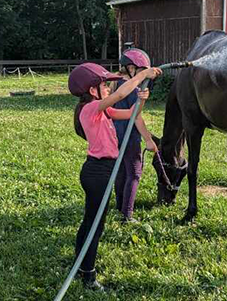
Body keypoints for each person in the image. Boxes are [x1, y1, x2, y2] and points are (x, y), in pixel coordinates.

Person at [68, 62, 161, 290]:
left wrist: (142, 100)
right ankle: (88, 275)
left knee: (91, 221)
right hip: (97, 173)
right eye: (104, 86)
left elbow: (131, 114)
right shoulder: (90, 109)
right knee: (95, 226)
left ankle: (79, 264)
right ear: (93, 91)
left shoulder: (103, 110)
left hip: (102, 171)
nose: (109, 89)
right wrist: (144, 74)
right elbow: (120, 92)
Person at [111, 48, 159, 223]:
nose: (143, 76)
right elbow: (136, 116)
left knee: (121, 171)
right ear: (131, 69)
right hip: (129, 136)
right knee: (134, 173)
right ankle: (127, 215)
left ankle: (119, 205)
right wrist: (148, 139)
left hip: (115, 134)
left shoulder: (115, 83)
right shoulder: (132, 89)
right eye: (141, 71)